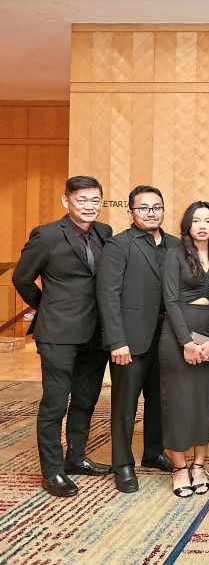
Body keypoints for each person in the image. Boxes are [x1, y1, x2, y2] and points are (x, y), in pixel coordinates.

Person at [13, 176, 114, 498]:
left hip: (96, 332)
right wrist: (48, 306)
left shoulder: (105, 233)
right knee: (55, 404)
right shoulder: (46, 236)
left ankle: (77, 458)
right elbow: (22, 279)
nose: (90, 206)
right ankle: (53, 471)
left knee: (86, 400)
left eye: (95, 200)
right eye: (82, 200)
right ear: (66, 201)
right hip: (58, 332)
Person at [97, 185, 178, 493]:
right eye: (143, 208)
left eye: (156, 207)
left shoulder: (174, 244)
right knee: (125, 403)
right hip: (130, 339)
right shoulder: (119, 245)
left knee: (160, 399)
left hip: (167, 336)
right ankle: (123, 464)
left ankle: (154, 452)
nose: (150, 213)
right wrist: (116, 340)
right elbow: (108, 295)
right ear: (130, 211)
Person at [158, 201, 209, 498]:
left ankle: (199, 465)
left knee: (203, 401)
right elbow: (170, 301)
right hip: (177, 335)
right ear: (188, 225)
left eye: (207, 221)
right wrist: (186, 342)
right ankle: (179, 468)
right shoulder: (175, 254)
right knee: (178, 402)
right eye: (196, 220)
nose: (202, 225)